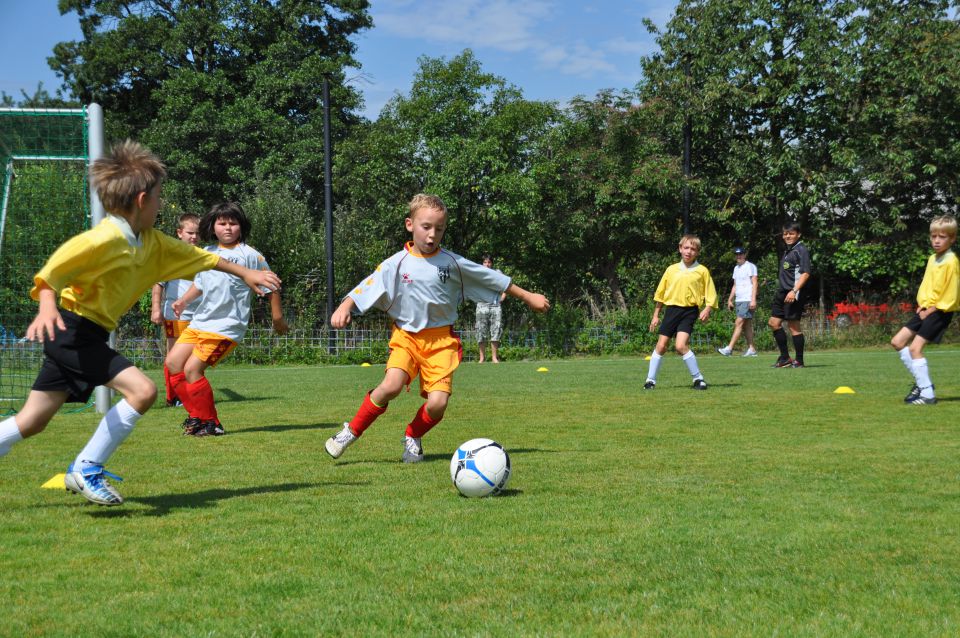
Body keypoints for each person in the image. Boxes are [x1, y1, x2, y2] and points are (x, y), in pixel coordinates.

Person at [0, 141, 280, 506]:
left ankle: (78, 466)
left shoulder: (152, 243)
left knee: (33, 419)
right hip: (71, 329)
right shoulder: (102, 238)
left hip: (86, 332)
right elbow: (51, 274)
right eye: (160, 198)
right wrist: (47, 306)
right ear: (143, 200)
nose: (162, 205)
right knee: (142, 391)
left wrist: (245, 271)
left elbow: (204, 260)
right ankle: (86, 468)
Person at [325, 193, 550, 463]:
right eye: (426, 227)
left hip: (441, 342)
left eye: (439, 229)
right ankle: (350, 431)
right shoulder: (395, 264)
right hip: (406, 338)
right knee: (391, 385)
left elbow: (491, 278)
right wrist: (345, 306)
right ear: (410, 224)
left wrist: (528, 297)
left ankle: (413, 435)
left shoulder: (452, 262)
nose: (432, 235)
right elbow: (369, 285)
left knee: (438, 404)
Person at [165, 202, 288, 437]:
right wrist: (183, 301)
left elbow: (273, 284)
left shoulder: (250, 255)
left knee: (192, 369)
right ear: (212, 226)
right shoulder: (207, 253)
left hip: (226, 326)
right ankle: (197, 416)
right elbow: (199, 284)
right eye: (222, 223)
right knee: (173, 365)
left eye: (233, 223)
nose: (228, 228)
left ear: (241, 227)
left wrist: (277, 317)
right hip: (200, 322)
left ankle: (212, 423)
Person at [890, 216, 959, 405]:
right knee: (897, 341)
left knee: (915, 348)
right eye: (933, 236)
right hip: (926, 308)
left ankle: (927, 394)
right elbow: (928, 285)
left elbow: (950, 293)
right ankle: (923, 384)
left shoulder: (951, 261)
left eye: (942, 237)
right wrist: (922, 304)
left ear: (952, 239)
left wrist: (931, 309)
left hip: (940, 311)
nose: (936, 240)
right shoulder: (932, 259)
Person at [644, 234, 718, 390]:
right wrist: (656, 315)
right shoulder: (671, 270)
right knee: (662, 346)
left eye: (693, 249)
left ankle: (698, 379)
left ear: (697, 252)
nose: (689, 251)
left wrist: (708, 308)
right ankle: (650, 381)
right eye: (686, 248)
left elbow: (710, 293)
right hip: (671, 310)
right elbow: (661, 294)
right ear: (680, 249)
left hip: (689, 311)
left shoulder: (702, 271)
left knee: (680, 346)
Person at [150, 212, 202, 407]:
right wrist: (156, 308)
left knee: (195, 356)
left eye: (197, 233)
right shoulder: (171, 256)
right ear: (179, 233)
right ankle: (174, 396)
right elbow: (158, 284)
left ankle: (191, 391)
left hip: (200, 316)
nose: (194, 237)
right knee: (174, 355)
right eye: (190, 232)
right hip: (176, 314)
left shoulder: (204, 256)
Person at [769, 221, 812, 368]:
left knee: (793, 326)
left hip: (794, 292)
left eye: (791, 233)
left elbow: (805, 273)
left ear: (798, 235)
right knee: (773, 323)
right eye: (785, 233)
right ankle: (785, 358)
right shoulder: (788, 250)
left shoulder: (801, 250)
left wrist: (794, 291)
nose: (788, 236)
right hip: (782, 292)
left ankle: (799, 360)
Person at [717, 247, 759, 357]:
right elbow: (735, 285)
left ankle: (729, 349)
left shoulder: (750, 266)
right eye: (737, 254)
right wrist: (730, 299)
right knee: (746, 325)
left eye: (740, 254)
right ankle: (752, 349)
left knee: (739, 322)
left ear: (745, 255)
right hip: (739, 299)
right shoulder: (736, 268)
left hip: (747, 299)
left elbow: (754, 283)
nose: (738, 256)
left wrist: (753, 299)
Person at [475, 254, 507, 363]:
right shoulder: (477, 273)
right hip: (482, 305)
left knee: (496, 330)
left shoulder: (497, 273)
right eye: (485, 262)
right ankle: (482, 358)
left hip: (495, 306)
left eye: (489, 262)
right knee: (481, 331)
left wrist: (502, 297)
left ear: (491, 263)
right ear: (482, 263)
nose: (487, 264)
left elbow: (505, 286)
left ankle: (494, 358)